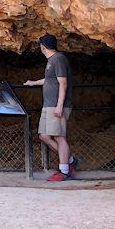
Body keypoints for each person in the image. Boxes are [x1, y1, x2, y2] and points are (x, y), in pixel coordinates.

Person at [24, 33, 78, 181]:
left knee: (59, 137)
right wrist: (33, 83)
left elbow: (63, 83)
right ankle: (70, 161)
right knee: (44, 135)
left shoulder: (58, 59)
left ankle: (64, 170)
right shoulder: (52, 61)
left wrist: (59, 106)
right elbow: (50, 80)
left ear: (43, 46)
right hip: (49, 105)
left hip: (56, 105)